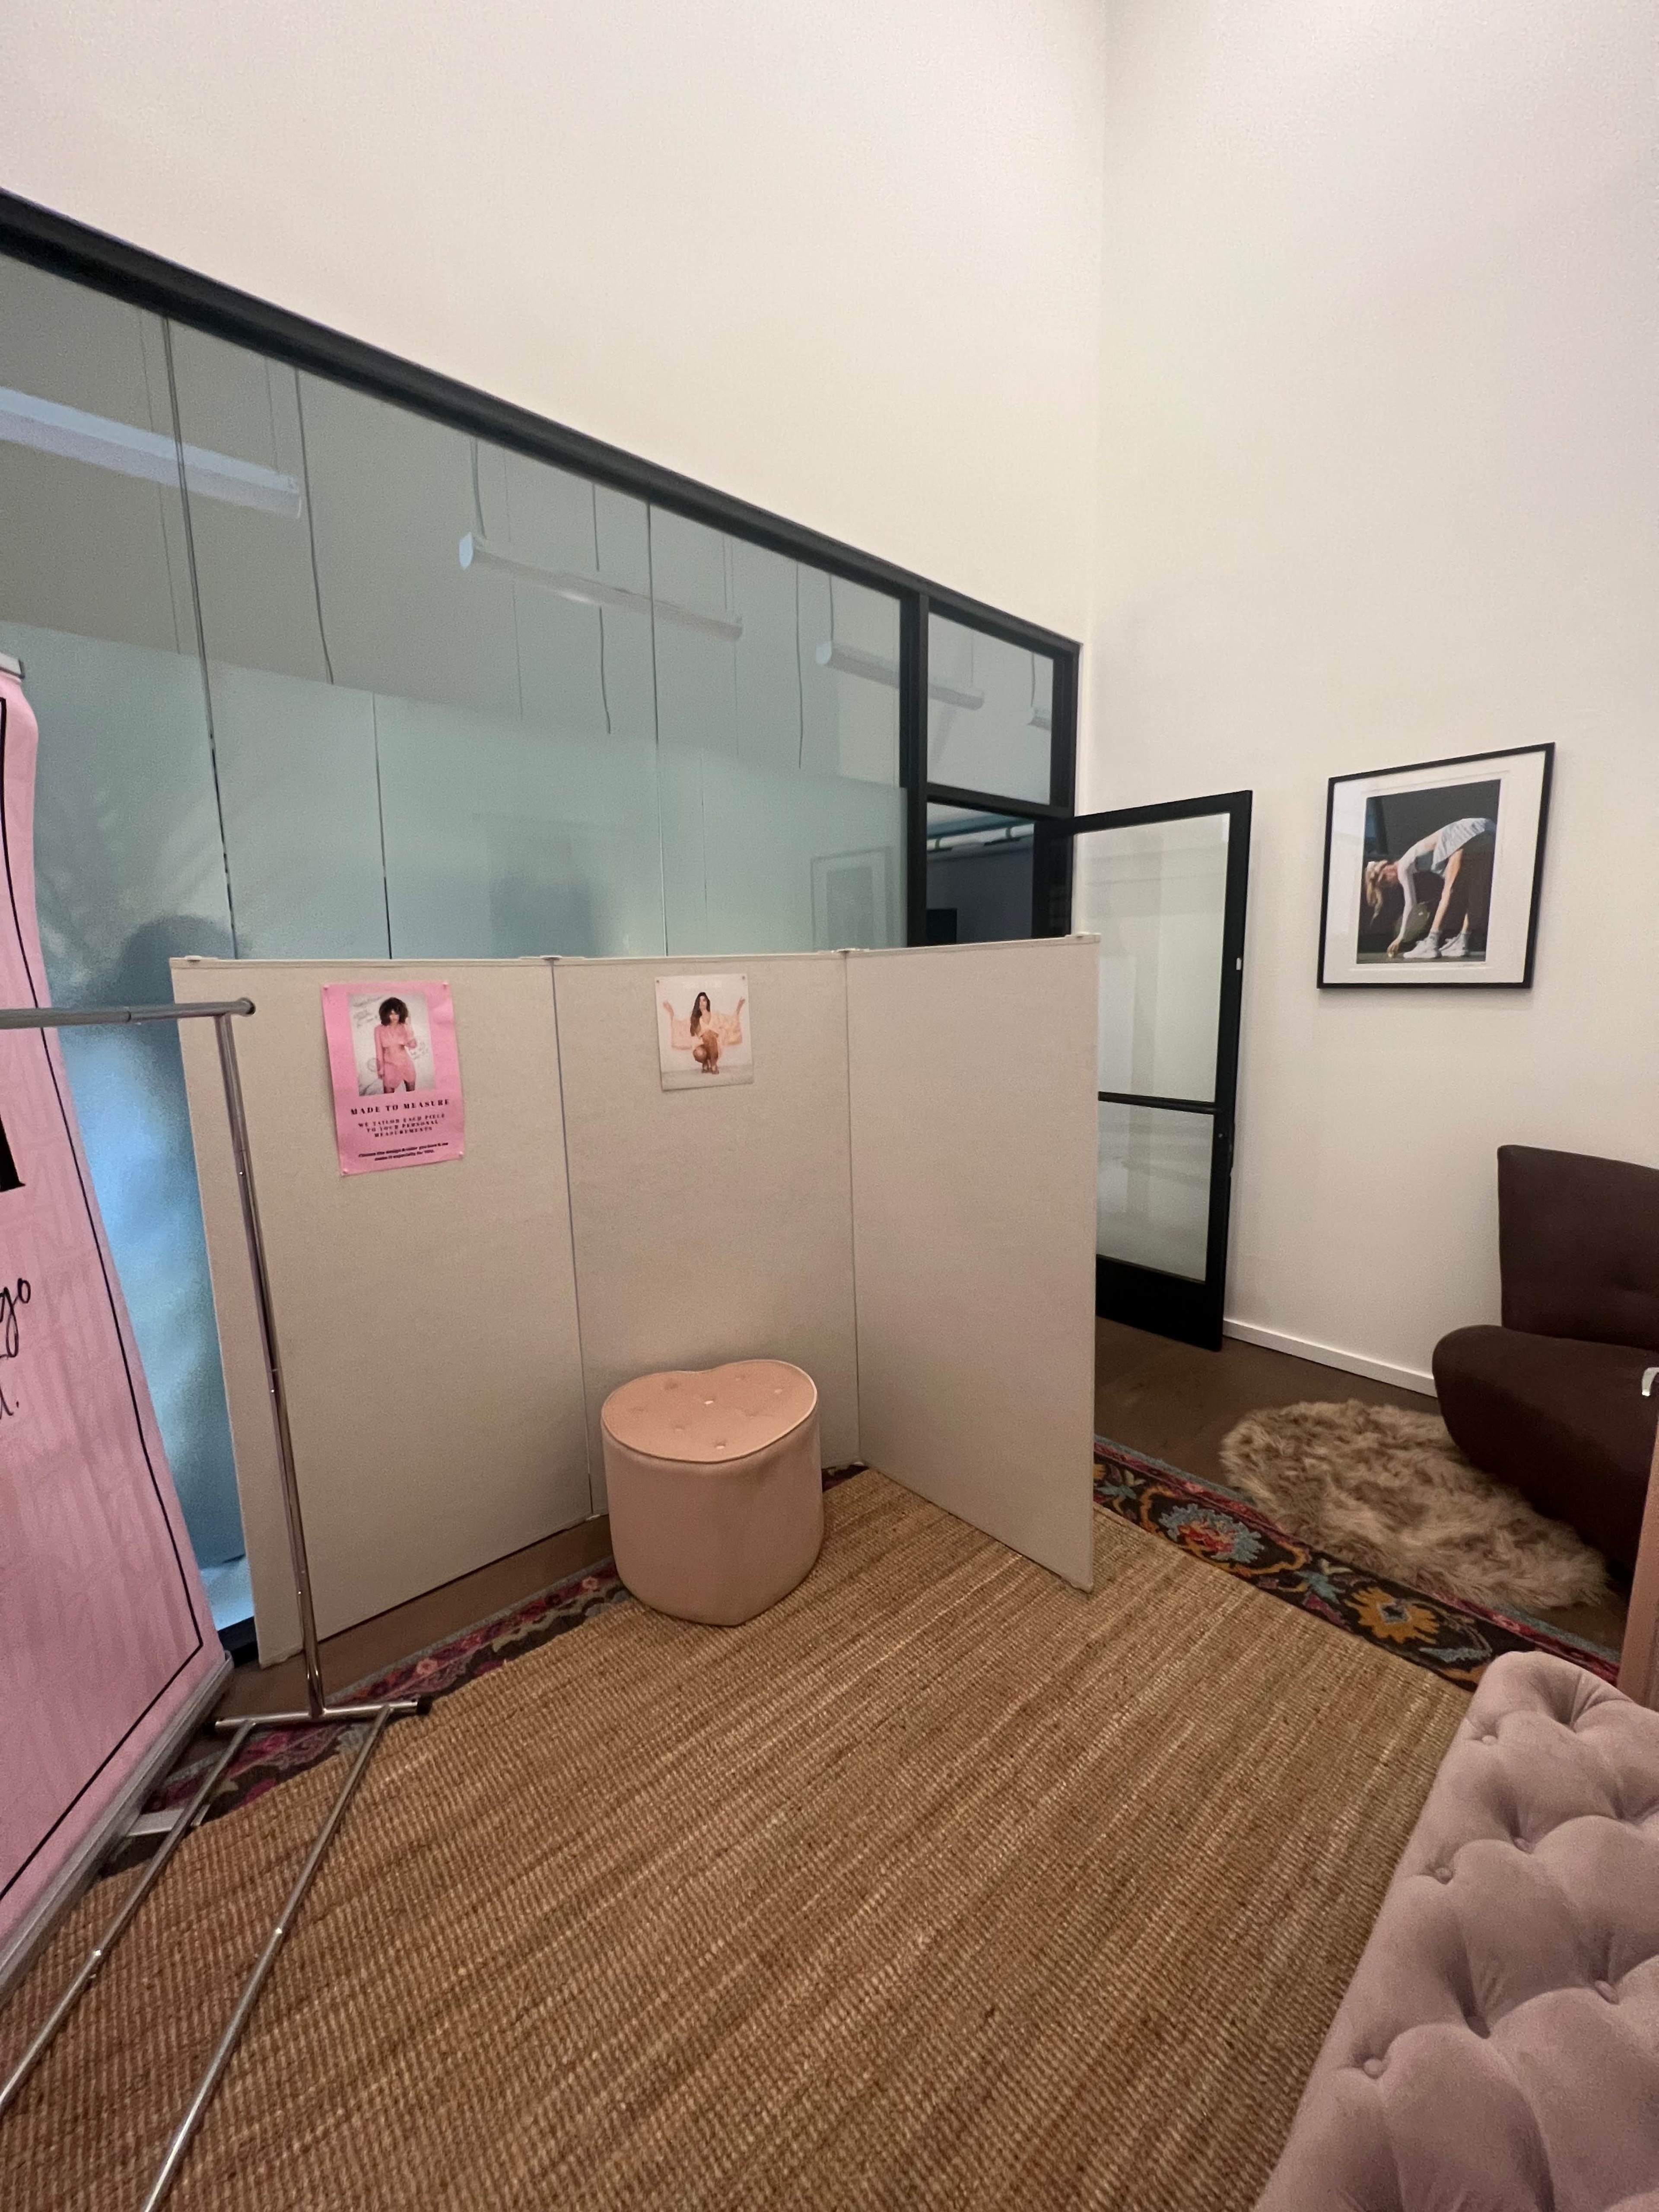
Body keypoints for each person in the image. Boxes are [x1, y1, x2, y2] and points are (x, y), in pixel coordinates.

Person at [1363, 817, 1496, 962]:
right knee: (1475, 889)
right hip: (1486, 831)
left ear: (1386, 869)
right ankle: (1463, 940)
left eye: (1386, 882)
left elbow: (1410, 904)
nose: (1392, 884)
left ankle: (1431, 942)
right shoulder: (1418, 861)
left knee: (1450, 892)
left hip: (1462, 833)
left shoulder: (1403, 867)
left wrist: (1401, 938)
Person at [661, 990, 747, 1073]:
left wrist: (739, 1008)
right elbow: (681, 1027)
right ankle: (706, 1062)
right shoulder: (695, 1019)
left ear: (707, 1002)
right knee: (699, 1052)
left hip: (715, 1047)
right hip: (702, 1049)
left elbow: (730, 1023)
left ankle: (714, 1065)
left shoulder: (716, 1015)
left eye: (704, 1000)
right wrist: (671, 1012)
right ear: (697, 1004)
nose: (702, 1003)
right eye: (699, 1001)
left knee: (708, 1034)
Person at [374, 996, 418, 1092]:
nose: (394, 1017)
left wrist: (409, 1027)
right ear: (386, 1014)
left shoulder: (404, 1027)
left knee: (412, 1097)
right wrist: (381, 1070)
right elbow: (379, 1052)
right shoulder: (379, 1030)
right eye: (391, 1014)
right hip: (389, 1067)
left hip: (406, 1065)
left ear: (401, 1014)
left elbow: (413, 1045)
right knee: (388, 1099)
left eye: (397, 1014)